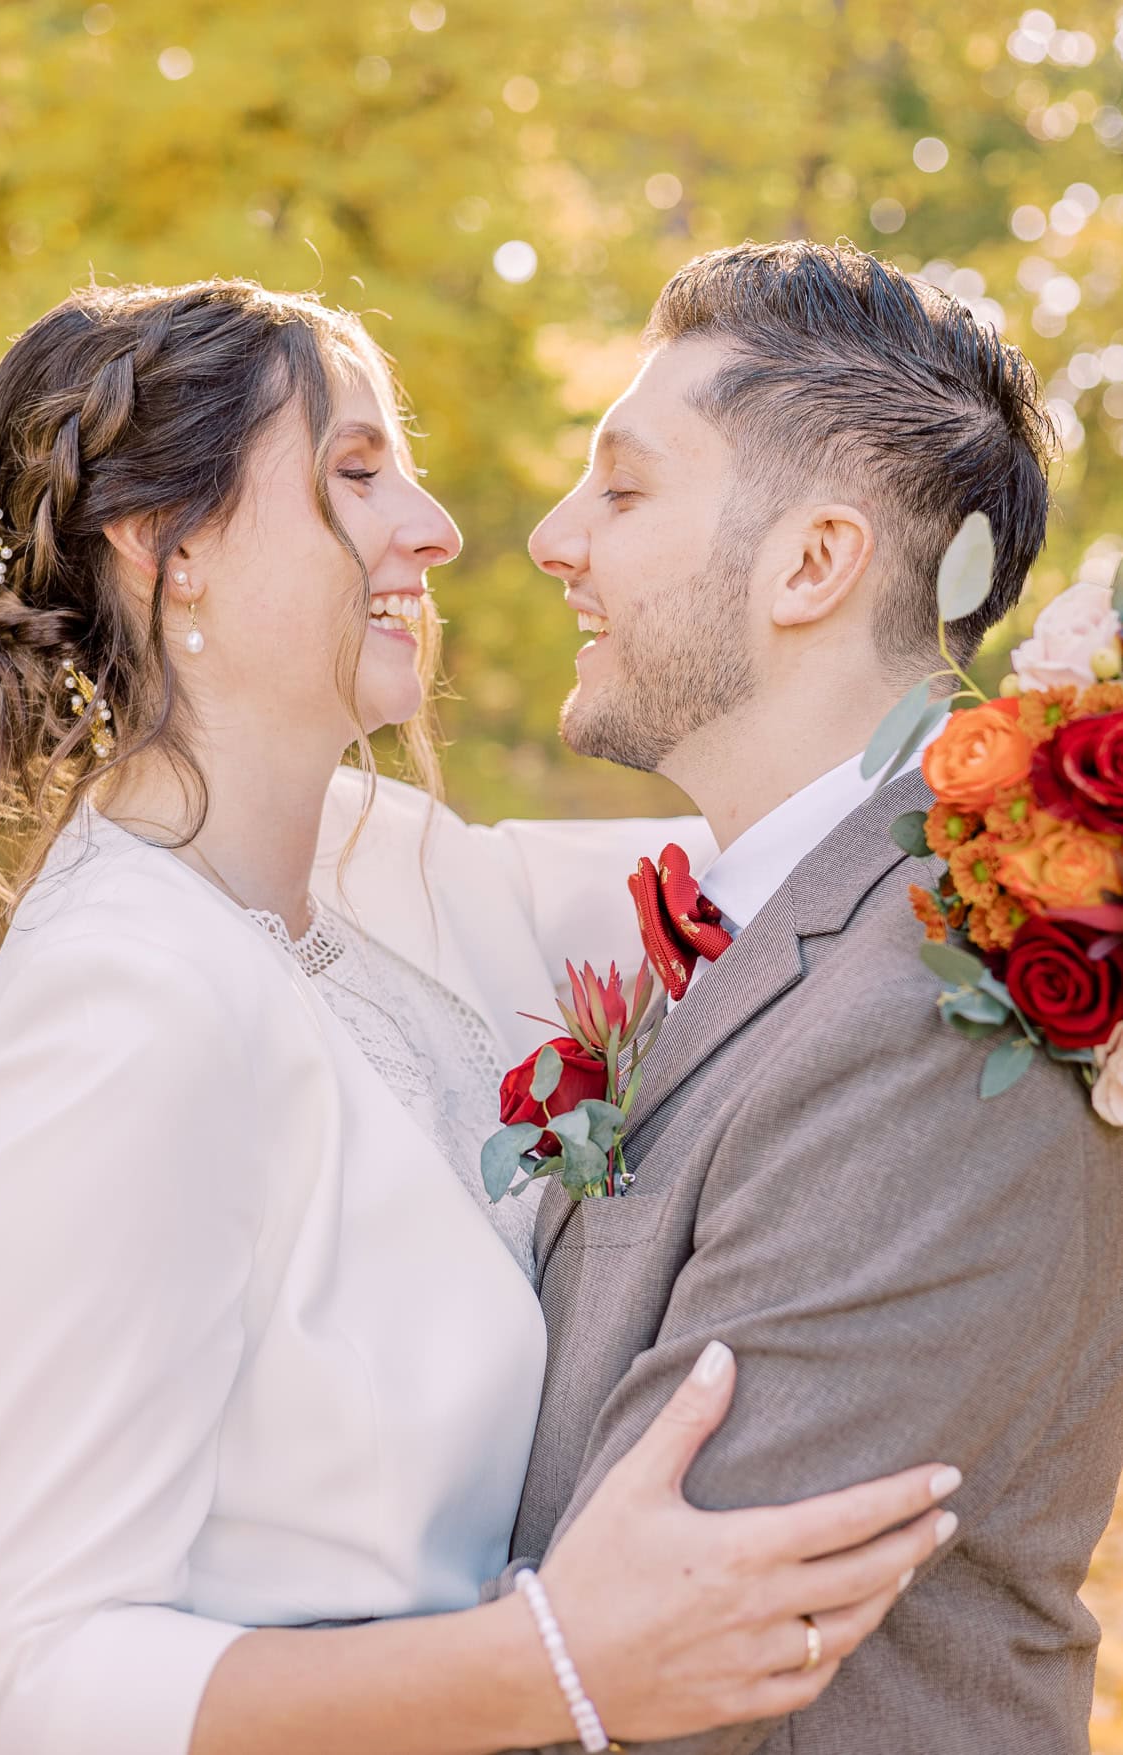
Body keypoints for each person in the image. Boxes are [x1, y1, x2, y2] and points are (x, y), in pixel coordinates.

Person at [0, 280, 957, 1755]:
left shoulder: (388, 873)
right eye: (356, 474)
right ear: (169, 551)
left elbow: (817, 860)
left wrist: (1062, 802)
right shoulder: (124, 1004)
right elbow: (17, 1682)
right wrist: (553, 1667)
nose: (437, 528)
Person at [488, 241, 1123, 1753]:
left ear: (812, 563)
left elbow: (654, 1668)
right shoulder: (774, 921)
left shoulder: (934, 1007)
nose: (548, 537)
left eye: (622, 489)